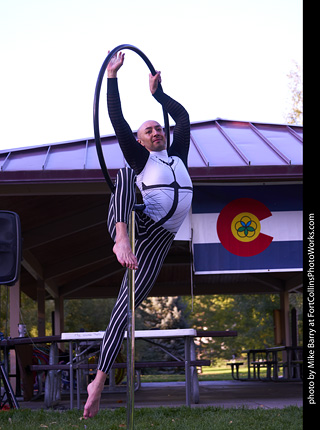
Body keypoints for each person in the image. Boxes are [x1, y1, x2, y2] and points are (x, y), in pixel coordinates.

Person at [83, 52, 193, 418]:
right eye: (149, 130)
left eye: (158, 128)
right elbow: (117, 120)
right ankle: (119, 237)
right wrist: (112, 77)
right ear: (140, 141)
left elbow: (183, 118)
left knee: (123, 310)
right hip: (138, 229)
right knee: (124, 176)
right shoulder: (140, 160)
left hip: (162, 240)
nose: (157, 131)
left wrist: (158, 94)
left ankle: (96, 381)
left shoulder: (177, 156)